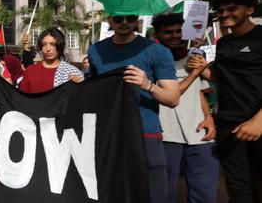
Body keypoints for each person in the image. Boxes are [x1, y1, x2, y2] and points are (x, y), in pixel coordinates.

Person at [88, 14, 179, 203]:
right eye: (118, 18)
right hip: (109, 135)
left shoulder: (157, 51)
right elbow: (94, 91)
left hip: (146, 134)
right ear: (110, 20)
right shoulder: (95, 50)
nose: (123, 23)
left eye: (129, 18)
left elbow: (173, 98)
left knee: (154, 195)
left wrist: (148, 85)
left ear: (137, 20)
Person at [152, 13, 218, 203]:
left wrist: (208, 117)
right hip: (167, 136)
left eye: (178, 31)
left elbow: (200, 92)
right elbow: (171, 95)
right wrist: (194, 73)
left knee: (204, 194)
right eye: (168, 32)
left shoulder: (194, 58)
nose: (174, 35)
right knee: (165, 194)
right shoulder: (151, 61)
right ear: (157, 34)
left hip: (200, 135)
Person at [206, 0, 262, 202]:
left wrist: (259, 120)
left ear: (250, 10)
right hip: (228, 124)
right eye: (221, 11)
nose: (225, 14)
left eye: (232, 9)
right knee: (238, 186)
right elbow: (223, 78)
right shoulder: (224, 43)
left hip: (258, 121)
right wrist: (201, 69)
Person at [19, 28, 84, 93]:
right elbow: (22, 99)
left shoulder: (73, 73)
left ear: (60, 45)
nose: (48, 49)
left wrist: (80, 86)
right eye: (44, 44)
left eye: (53, 44)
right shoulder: (30, 71)